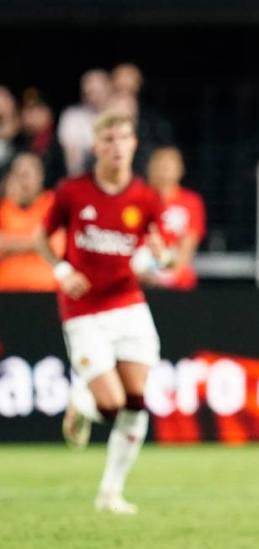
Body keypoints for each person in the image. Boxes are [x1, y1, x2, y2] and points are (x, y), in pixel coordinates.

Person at [36, 111, 171, 515]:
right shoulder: (73, 192)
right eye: (108, 139)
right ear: (96, 146)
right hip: (83, 310)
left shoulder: (145, 197)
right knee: (110, 404)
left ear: (133, 145)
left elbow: (156, 248)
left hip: (129, 306)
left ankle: (110, 492)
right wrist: (62, 269)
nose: (116, 146)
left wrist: (156, 259)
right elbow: (42, 236)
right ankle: (83, 402)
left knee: (136, 401)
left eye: (124, 138)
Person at [0, 152, 63, 291]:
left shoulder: (54, 204)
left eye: (27, 175)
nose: (23, 182)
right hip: (5, 293)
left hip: (45, 294)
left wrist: (8, 244)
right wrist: (37, 243)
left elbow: (58, 246)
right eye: (18, 175)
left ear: (40, 177)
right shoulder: (3, 209)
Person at [146, 146, 206, 289]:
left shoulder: (191, 202)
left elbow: (188, 245)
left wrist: (168, 271)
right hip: (143, 261)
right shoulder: (140, 199)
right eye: (160, 165)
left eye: (169, 166)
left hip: (172, 263)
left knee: (183, 275)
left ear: (180, 169)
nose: (164, 171)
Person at [57, 69, 112, 176]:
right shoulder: (72, 116)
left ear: (108, 89)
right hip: (84, 174)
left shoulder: (118, 113)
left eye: (97, 91)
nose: (93, 97)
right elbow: (72, 159)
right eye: (89, 92)